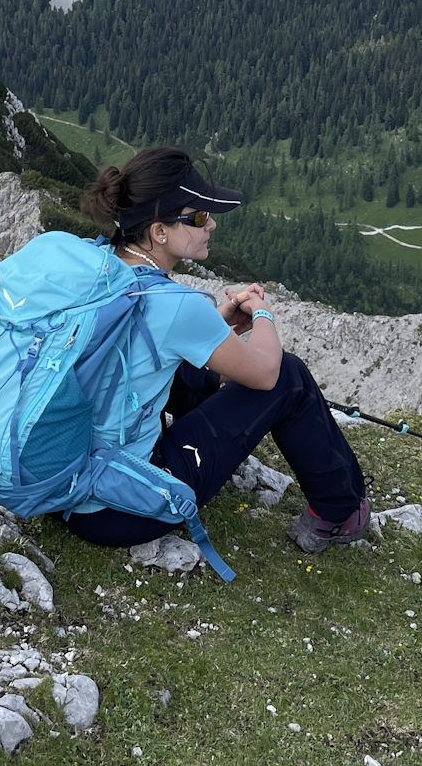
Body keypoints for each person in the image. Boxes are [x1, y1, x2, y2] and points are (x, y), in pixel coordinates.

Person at [59, 145, 371, 554]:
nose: (211, 225)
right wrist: (261, 313)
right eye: (199, 216)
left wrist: (214, 324)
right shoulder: (176, 305)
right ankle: (341, 511)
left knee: (190, 372)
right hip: (119, 509)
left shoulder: (97, 265)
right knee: (289, 376)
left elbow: (140, 346)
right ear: (159, 231)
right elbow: (267, 373)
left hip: (60, 476)